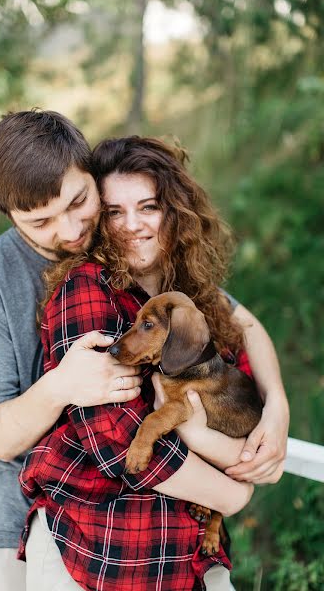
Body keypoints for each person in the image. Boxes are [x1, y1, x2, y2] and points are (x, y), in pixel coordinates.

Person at [18, 136, 289, 591]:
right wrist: (234, 492)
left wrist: (277, 406)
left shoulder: (186, 294)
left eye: (148, 207)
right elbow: (114, 440)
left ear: (175, 211)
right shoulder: (87, 289)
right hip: (102, 551)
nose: (132, 226)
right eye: (114, 212)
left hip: (188, 557)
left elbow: (251, 330)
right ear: (98, 221)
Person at [0, 110, 143, 591]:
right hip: (24, 511)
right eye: (41, 221)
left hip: (142, 494)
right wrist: (61, 386)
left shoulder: (123, 231)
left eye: (79, 200)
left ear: (89, 173)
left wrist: (278, 407)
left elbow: (229, 315)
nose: (71, 230)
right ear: (10, 216)